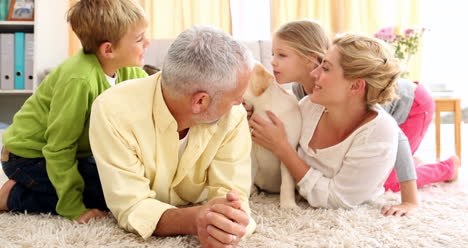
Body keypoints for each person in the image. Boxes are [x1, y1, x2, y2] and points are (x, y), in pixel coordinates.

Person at [259, 20, 460, 216]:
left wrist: (410, 200)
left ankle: (447, 169)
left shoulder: (365, 102)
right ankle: (403, 161)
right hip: (371, 118)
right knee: (374, 165)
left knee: (386, 182)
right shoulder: (305, 92)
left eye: (282, 55)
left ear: (309, 59)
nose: (272, 61)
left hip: (412, 104)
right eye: (273, 54)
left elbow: (398, 140)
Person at [88, 25, 255, 247]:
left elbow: (233, 194)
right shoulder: (112, 110)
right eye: (237, 96)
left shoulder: (234, 116)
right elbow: (131, 206)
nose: (240, 103)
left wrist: (227, 223)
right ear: (200, 101)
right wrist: (196, 219)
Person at [0, 0, 149, 223]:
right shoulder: (79, 80)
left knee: (127, 183)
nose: (147, 43)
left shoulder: (126, 70)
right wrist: (73, 208)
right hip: (28, 156)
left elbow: (148, 96)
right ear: (108, 49)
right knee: (106, 194)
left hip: (73, 153)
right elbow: (59, 148)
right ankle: (13, 196)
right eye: (139, 39)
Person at [250, 33, 401, 210]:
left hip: (401, 127)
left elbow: (337, 199)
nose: (314, 73)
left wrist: (282, 148)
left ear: (355, 86)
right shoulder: (309, 106)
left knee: (397, 181)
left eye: (326, 68)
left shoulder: (378, 135)